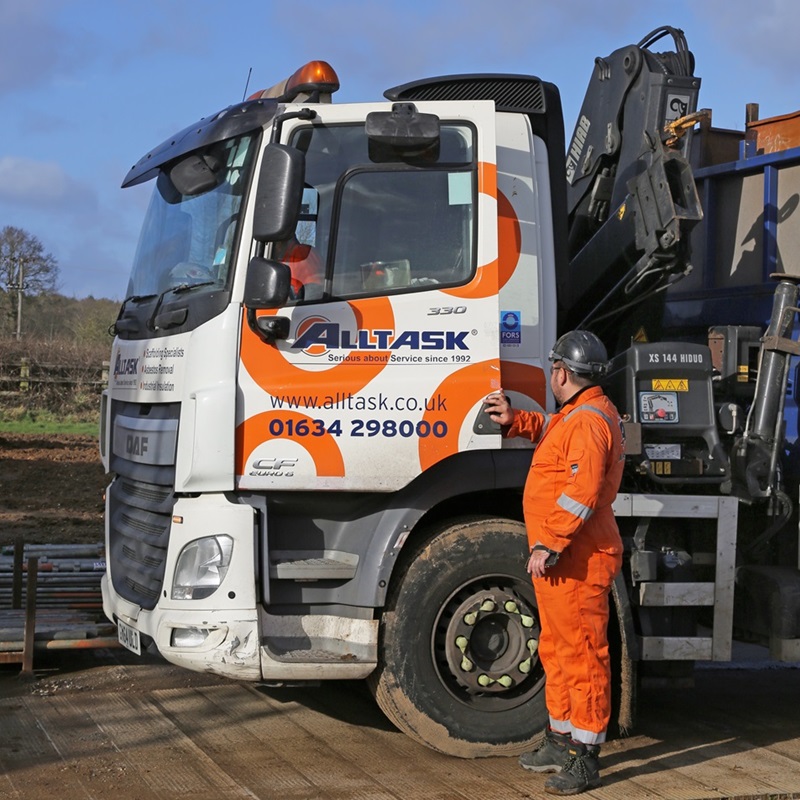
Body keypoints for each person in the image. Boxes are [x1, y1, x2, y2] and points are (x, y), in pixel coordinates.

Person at [483, 330, 625, 796]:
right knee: (559, 650)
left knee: (583, 655)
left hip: (576, 558)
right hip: (566, 560)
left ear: (562, 371)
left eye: (553, 368)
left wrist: (551, 543)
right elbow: (554, 435)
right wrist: (518, 420)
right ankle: (560, 739)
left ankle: (585, 758)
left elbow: (581, 492)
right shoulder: (581, 414)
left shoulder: (587, 421)